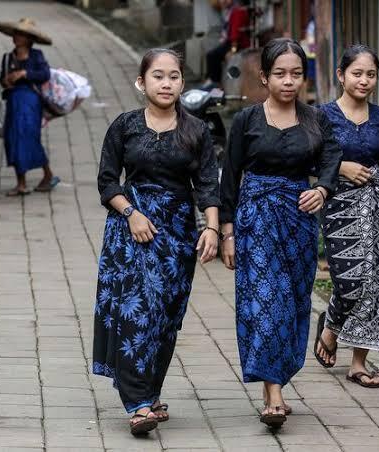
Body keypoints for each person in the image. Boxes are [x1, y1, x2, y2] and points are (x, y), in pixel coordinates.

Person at [93, 48, 220, 436]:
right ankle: (138, 404)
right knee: (137, 312)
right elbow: (107, 181)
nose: (166, 84)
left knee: (166, 316)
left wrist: (211, 230)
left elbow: (208, 186)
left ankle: (150, 391)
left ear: (183, 82)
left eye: (174, 77)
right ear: (141, 82)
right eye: (158, 76)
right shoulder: (125, 126)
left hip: (177, 234)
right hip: (131, 229)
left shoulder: (196, 131)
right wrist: (131, 214)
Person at [219, 38, 342, 428]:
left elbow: (331, 157)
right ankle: (274, 395)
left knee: (293, 305)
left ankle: (278, 375)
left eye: (296, 74)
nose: (289, 82)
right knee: (267, 304)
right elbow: (230, 176)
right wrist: (227, 231)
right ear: (264, 77)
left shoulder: (316, 119)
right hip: (255, 219)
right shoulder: (247, 121)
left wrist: (322, 189)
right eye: (280, 74)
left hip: (299, 223)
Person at [314, 44, 379, 388]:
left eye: (371, 74)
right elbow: (309, 160)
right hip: (339, 204)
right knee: (350, 281)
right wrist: (341, 166)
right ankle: (330, 326)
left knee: (377, 282)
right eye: (357, 73)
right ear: (341, 75)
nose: (364, 80)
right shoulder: (321, 115)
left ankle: (359, 362)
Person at [0, 18, 60, 196]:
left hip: (31, 102)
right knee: (13, 138)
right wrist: (6, 80)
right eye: (16, 33)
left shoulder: (36, 56)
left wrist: (25, 73)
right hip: (13, 102)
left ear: (29, 39)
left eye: (21, 34)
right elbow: (2, 79)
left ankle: (48, 174)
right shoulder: (8, 58)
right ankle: (21, 183)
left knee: (29, 137)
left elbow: (45, 74)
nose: (17, 37)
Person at [203, 0, 250, 88]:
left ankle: (214, 82)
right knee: (213, 54)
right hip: (230, 41)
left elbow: (235, 34)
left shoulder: (237, 11)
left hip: (237, 43)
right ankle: (211, 79)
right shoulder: (229, 11)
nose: (223, 1)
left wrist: (233, 50)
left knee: (212, 55)